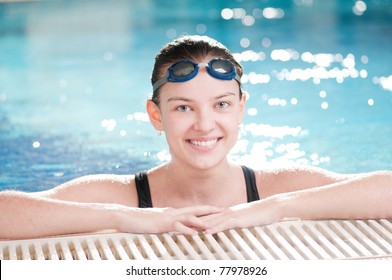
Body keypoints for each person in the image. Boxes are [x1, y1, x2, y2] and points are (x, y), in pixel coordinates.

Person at [1, 35, 391, 240]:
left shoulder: (274, 187)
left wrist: (276, 208)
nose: (204, 125)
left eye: (221, 105)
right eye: (184, 108)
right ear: (156, 115)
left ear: (241, 109)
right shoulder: (124, 195)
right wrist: (126, 218)